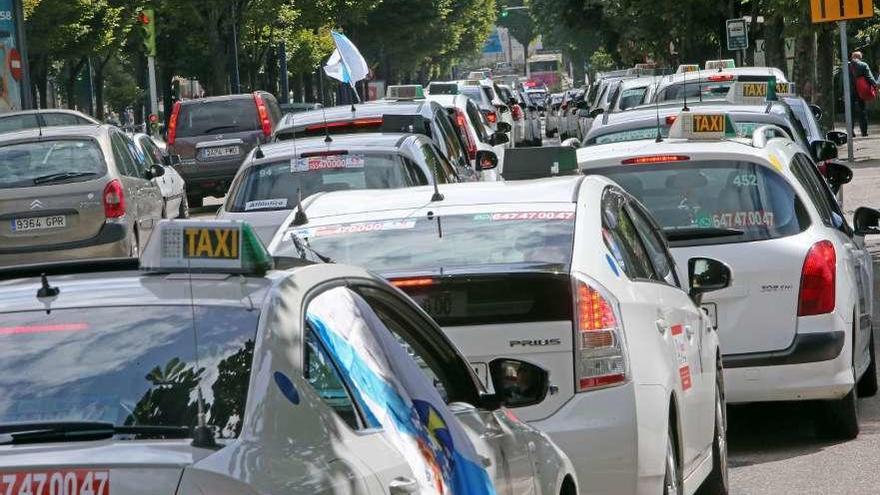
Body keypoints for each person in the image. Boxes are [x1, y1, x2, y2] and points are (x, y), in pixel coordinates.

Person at [849, 51, 879, 137]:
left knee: (850, 111)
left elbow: (842, 80)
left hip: (850, 91)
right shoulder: (863, 65)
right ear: (860, 58)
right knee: (862, 110)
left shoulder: (847, 65)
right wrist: (875, 87)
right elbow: (869, 77)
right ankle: (864, 132)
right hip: (861, 90)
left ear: (852, 57)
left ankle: (851, 132)